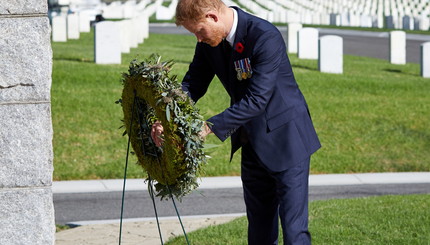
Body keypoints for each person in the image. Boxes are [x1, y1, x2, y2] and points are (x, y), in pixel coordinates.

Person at [152, 0, 321, 244]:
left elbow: (256, 100)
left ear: (212, 16)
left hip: (287, 140)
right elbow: (193, 83)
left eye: (199, 31)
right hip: (251, 141)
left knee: (294, 232)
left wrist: (208, 127)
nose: (198, 39)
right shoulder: (210, 42)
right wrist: (165, 117)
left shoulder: (264, 36)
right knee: (259, 229)